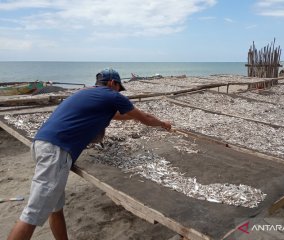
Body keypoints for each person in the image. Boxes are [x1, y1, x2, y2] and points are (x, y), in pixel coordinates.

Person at [7, 68, 172, 240]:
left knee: (55, 208)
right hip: (56, 152)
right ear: (111, 83)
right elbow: (146, 117)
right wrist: (162, 123)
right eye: (119, 87)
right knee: (31, 215)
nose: (119, 91)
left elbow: (117, 116)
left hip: (41, 144)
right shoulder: (112, 95)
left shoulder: (85, 93)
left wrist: (133, 117)